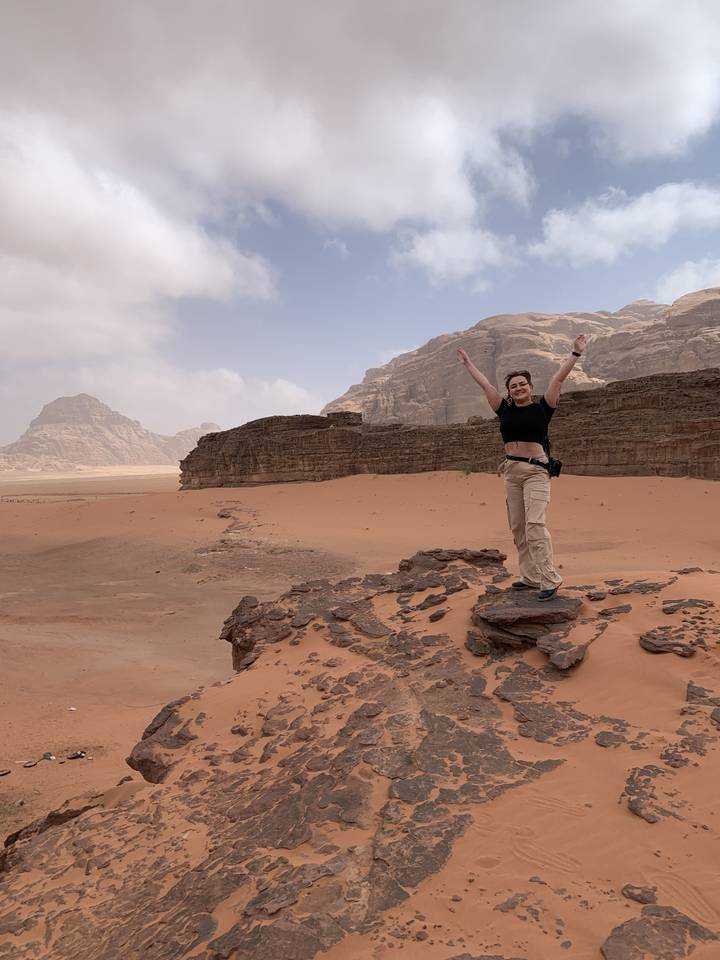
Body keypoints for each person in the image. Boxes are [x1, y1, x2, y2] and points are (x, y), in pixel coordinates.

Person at [457, 334, 588, 600]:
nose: (518, 388)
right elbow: (485, 386)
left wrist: (575, 354)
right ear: (509, 391)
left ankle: (550, 578)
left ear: (530, 387)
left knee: (535, 524)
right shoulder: (503, 409)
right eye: (513, 386)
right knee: (518, 527)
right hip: (512, 474)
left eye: (522, 384)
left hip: (536, 472)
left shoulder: (544, 407)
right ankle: (529, 577)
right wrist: (468, 364)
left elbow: (558, 380)